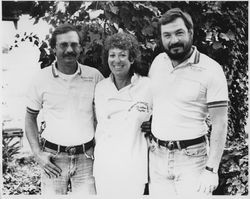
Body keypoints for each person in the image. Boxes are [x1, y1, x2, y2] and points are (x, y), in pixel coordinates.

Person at [141, 8, 228, 196]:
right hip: (157, 156)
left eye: (179, 33)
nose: (174, 40)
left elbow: (220, 124)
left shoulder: (211, 70)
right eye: (167, 35)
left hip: (193, 159)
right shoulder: (158, 63)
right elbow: (157, 100)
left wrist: (211, 170)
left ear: (190, 32)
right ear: (161, 38)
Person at [25, 23, 104, 195]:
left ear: (81, 48)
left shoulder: (94, 76)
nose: (69, 49)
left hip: (87, 158)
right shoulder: (40, 79)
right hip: (53, 159)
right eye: (63, 45)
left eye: (74, 44)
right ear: (54, 49)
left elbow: (107, 112)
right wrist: (38, 153)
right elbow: (30, 117)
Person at [93, 32, 153, 195]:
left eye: (122, 55)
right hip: (105, 165)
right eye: (112, 55)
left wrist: (155, 124)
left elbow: (164, 113)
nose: (116, 60)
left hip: (133, 165)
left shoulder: (147, 86)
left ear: (132, 59)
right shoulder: (101, 88)